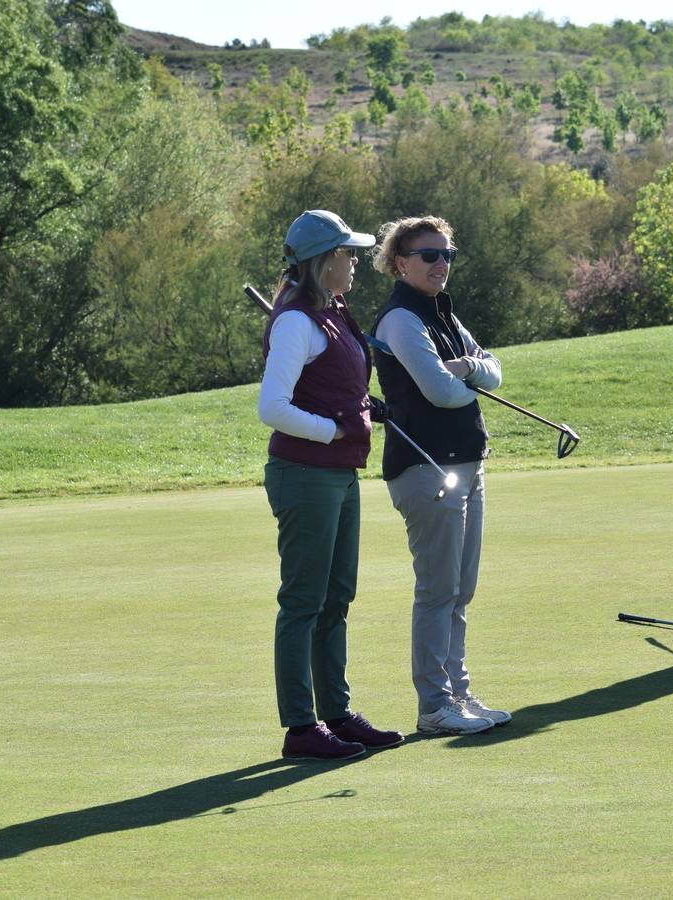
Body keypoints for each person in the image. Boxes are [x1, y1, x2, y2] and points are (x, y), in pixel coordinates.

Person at [258, 209, 404, 760]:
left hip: (339, 474)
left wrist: (362, 408)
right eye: (347, 254)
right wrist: (335, 427)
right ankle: (301, 727)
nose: (355, 262)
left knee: (336, 598)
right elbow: (273, 407)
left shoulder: (332, 311)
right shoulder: (297, 320)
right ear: (324, 261)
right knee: (303, 601)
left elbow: (337, 382)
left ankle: (336, 714)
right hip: (305, 475)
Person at [369, 216, 510, 735]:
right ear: (400, 262)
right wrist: (469, 374)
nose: (440, 265)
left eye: (447, 255)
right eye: (429, 255)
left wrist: (470, 368)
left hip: (467, 465)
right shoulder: (401, 319)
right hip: (425, 469)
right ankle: (434, 705)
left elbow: (493, 369)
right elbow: (438, 391)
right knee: (438, 590)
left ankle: (460, 694)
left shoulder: (441, 312)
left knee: (461, 588)